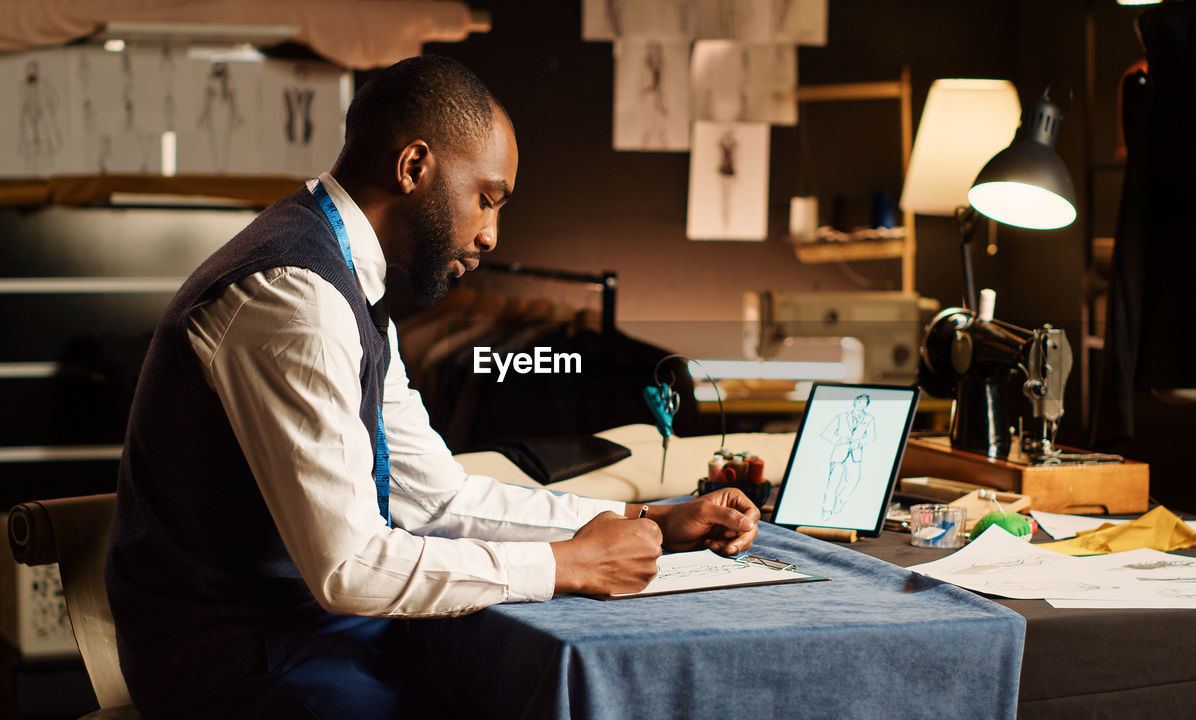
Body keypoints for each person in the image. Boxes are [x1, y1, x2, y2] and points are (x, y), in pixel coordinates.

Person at [105, 55, 760, 718]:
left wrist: (644, 519)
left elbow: (435, 499)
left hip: (302, 634)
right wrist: (565, 565)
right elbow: (349, 568)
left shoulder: (345, 280)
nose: (490, 234)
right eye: (487, 198)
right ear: (415, 167)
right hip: (238, 666)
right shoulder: (294, 296)